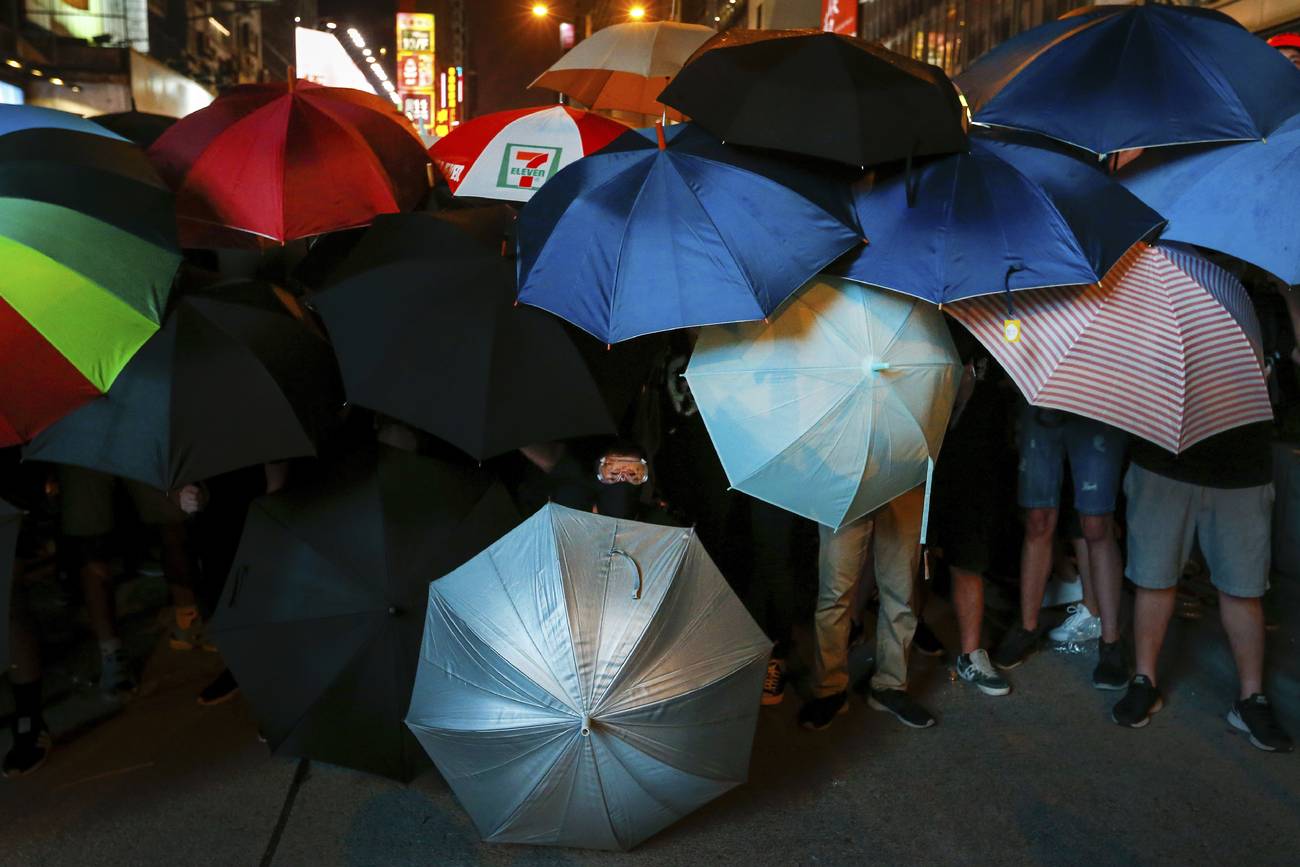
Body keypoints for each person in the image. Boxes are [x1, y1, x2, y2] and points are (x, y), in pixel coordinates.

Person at [1112, 421, 1292, 752]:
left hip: (1242, 470)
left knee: (1243, 589)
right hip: (1161, 460)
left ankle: (1251, 698)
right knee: (1154, 579)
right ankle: (1144, 680)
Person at [993, 407, 1128, 691]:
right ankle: (1027, 627)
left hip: (1100, 400)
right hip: (1044, 402)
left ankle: (1111, 642)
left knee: (1096, 523)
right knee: (1037, 519)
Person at [799, 484, 932, 731]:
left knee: (900, 592)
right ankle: (830, 690)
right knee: (835, 592)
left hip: (906, 475)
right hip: (846, 477)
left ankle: (891, 685)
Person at [927, 337, 1014, 697]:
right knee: (909, 556)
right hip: (924, 451)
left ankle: (970, 653)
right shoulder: (931, 318)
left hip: (979, 461)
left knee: (968, 557)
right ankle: (882, 643)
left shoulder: (999, 320)